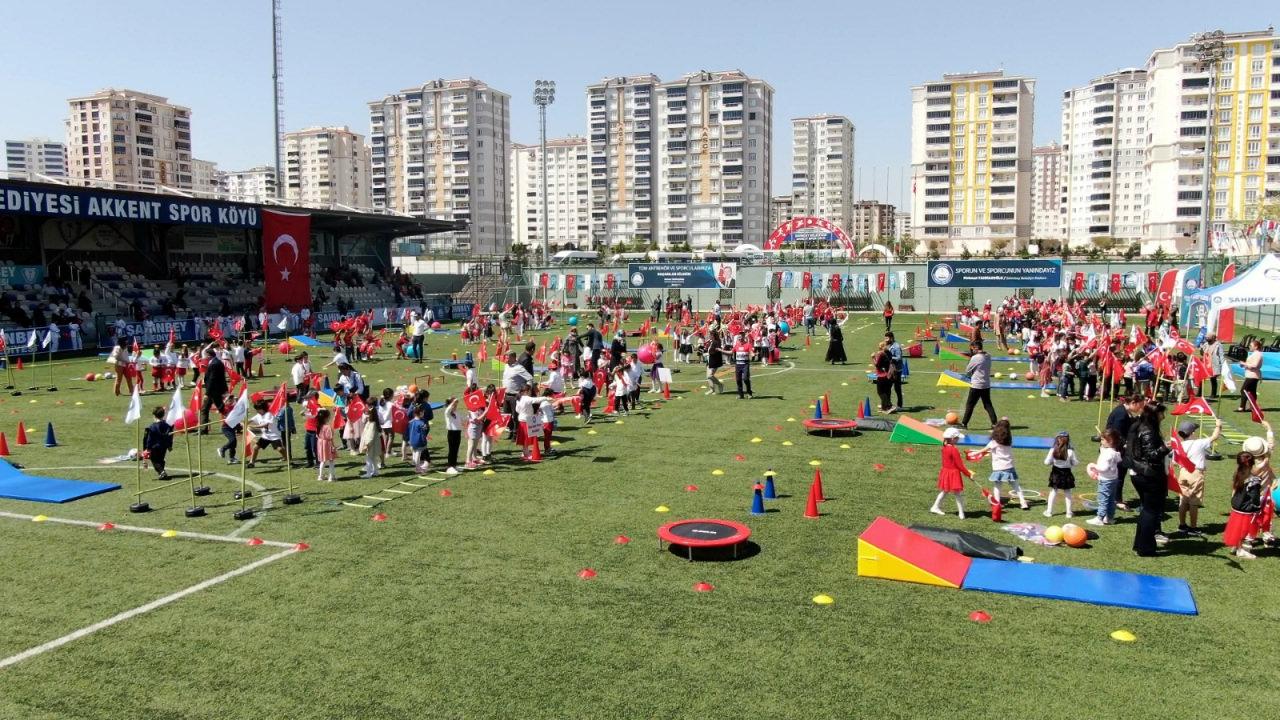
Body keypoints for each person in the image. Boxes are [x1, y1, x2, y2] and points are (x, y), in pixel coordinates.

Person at [1122, 403, 1171, 556]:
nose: (1163, 417)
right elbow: (1151, 454)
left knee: (1146, 510)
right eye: (1161, 414)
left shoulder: (1137, 425)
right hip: (1149, 475)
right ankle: (1146, 547)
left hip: (1137, 472)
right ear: (1155, 414)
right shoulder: (1149, 430)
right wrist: (1166, 447)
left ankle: (1141, 543)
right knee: (1151, 511)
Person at [1173, 418, 1222, 535]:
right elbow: (1215, 436)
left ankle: (1182, 525)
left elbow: (1175, 462)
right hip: (1195, 473)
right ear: (1192, 433)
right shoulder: (1199, 443)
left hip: (1183, 473)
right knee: (1194, 502)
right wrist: (1218, 426)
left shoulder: (1179, 446)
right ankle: (1193, 528)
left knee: (1183, 500)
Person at [980, 419, 1028, 509]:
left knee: (997, 486)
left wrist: (974, 453)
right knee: (1016, 486)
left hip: (998, 468)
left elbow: (984, 450)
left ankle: (997, 503)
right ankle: (1023, 502)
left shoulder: (993, 442)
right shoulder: (1008, 442)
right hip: (1009, 467)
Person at [931, 427, 971, 518]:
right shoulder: (954, 450)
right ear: (953, 439)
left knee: (945, 491)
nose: (958, 440)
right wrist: (968, 474)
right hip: (953, 474)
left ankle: (935, 507)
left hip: (946, 472)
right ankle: (961, 513)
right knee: (957, 493)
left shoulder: (944, 447)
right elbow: (960, 465)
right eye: (957, 438)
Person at [1087, 428, 1124, 526]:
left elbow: (1104, 468)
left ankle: (1099, 518)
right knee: (1111, 500)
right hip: (1113, 479)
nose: (1101, 441)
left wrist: (1094, 466)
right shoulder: (1114, 452)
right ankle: (1109, 518)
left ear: (1110, 441)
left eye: (1103, 439)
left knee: (1102, 500)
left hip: (1105, 481)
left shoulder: (1107, 454)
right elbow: (1110, 454)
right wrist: (1103, 445)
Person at [959, 340, 997, 428]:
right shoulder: (988, 356)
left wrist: (971, 358)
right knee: (988, 405)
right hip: (986, 384)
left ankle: (964, 424)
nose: (972, 351)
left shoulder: (975, 358)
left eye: (973, 349)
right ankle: (994, 423)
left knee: (970, 405)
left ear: (976, 348)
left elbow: (967, 371)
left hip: (976, 385)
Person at [1042, 431, 1078, 518]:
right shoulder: (1070, 451)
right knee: (1068, 492)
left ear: (1057, 439)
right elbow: (1075, 463)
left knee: (1053, 492)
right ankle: (1069, 513)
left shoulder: (1052, 450)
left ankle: (1049, 512)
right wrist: (1071, 463)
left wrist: (1052, 462)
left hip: (1056, 473)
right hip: (1067, 474)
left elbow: (1046, 462)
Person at [246, 400, 285, 468]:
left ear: (263, 409)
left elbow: (265, 425)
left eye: (258, 409)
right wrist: (242, 423)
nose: (257, 411)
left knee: (280, 449)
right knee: (255, 448)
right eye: (256, 409)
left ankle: (287, 459)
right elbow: (249, 421)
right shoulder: (258, 415)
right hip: (265, 437)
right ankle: (251, 462)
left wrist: (252, 426)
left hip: (274, 436)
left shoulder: (269, 415)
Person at [200, 346, 228, 434]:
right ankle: (204, 429)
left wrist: (207, 393)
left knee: (221, 409)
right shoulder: (216, 362)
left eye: (206, 355)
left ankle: (236, 425)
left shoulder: (214, 364)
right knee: (205, 409)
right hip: (215, 390)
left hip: (214, 391)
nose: (205, 357)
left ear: (209, 355)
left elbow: (213, 379)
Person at [142, 407, 173, 480]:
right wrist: (169, 445)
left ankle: (162, 472)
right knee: (161, 459)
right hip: (164, 446)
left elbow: (149, 439)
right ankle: (161, 473)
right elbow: (170, 436)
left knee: (154, 460)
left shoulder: (152, 427)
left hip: (155, 447)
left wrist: (148, 448)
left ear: (154, 416)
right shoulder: (167, 425)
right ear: (163, 415)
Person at [1238, 338, 1264, 412]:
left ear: (1256, 347)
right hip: (1251, 374)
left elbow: (1255, 365)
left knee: (1243, 390)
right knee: (1252, 392)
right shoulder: (1254, 354)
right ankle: (1253, 407)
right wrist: (1243, 365)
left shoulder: (1258, 354)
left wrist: (1244, 363)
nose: (1250, 346)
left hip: (1253, 375)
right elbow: (1250, 364)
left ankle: (1242, 407)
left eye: (1251, 345)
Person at [358, 405, 382, 478]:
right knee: (373, 458)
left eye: (367, 414)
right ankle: (375, 471)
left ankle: (368, 473)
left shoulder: (372, 423)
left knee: (368, 459)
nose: (365, 415)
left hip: (371, 445)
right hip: (373, 444)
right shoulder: (371, 422)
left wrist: (367, 444)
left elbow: (370, 436)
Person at [728, 333, 753, 399]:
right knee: (738, 380)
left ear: (744, 337)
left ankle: (749, 393)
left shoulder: (748, 345)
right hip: (738, 365)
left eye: (740, 337)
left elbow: (751, 352)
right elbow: (731, 352)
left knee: (745, 379)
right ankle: (740, 395)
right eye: (738, 337)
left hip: (745, 364)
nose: (739, 338)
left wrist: (753, 354)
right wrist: (721, 350)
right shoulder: (737, 345)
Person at [1198, 333, 1224, 398]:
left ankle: (1213, 394)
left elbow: (1221, 355)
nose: (1206, 338)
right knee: (1201, 378)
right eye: (1206, 337)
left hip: (1214, 364)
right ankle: (1199, 392)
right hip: (1205, 364)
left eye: (1208, 337)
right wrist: (1201, 349)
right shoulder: (1205, 344)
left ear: (1213, 337)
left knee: (1213, 379)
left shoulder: (1218, 345)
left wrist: (1222, 365)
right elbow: (1202, 353)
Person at [872, 341, 894, 413]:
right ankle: (884, 407)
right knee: (886, 391)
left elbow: (877, 365)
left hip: (882, 375)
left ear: (880, 347)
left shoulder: (880, 353)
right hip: (888, 374)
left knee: (880, 392)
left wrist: (873, 358)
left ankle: (889, 405)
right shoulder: (888, 353)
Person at [315, 409, 336, 482]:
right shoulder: (328, 427)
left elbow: (317, 436)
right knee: (331, 461)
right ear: (326, 418)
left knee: (322, 461)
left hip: (321, 444)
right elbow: (330, 437)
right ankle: (331, 477)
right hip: (327, 444)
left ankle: (320, 476)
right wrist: (333, 446)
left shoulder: (318, 426)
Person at [885, 332, 905, 411]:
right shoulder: (890, 345)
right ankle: (888, 404)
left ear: (891, 338)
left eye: (887, 338)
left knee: (897, 388)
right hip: (891, 370)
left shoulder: (896, 347)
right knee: (888, 387)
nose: (885, 340)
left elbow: (899, 357)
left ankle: (899, 405)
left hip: (896, 371)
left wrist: (890, 358)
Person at [442, 396, 462, 475]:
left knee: (456, 450)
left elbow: (462, 419)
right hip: (451, 433)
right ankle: (450, 466)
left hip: (458, 433)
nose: (455, 406)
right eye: (454, 404)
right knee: (452, 450)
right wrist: (453, 402)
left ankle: (454, 465)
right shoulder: (447, 412)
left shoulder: (456, 412)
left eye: (456, 404)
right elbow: (448, 409)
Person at [407, 405, 430, 473]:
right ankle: (417, 468)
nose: (423, 414)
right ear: (420, 413)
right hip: (419, 441)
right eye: (423, 412)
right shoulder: (422, 423)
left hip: (412, 441)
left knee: (414, 453)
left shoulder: (411, 422)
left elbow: (409, 431)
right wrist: (424, 442)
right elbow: (423, 434)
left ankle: (416, 465)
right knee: (418, 454)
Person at [704, 330, 725, 396]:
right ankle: (712, 390)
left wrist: (707, 353)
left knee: (710, 376)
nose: (709, 336)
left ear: (713, 336)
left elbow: (715, 352)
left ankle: (720, 384)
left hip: (714, 361)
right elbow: (708, 349)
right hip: (709, 360)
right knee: (708, 377)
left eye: (710, 335)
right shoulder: (711, 342)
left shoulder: (716, 342)